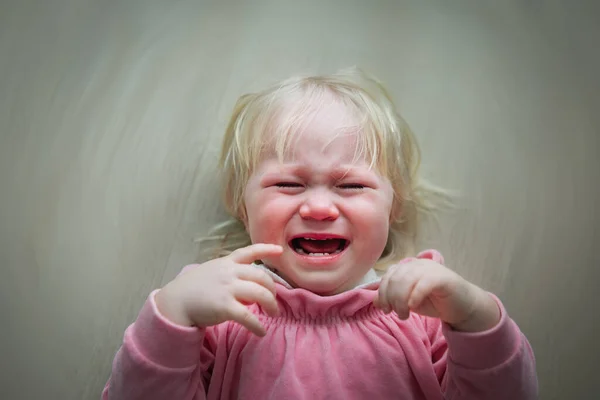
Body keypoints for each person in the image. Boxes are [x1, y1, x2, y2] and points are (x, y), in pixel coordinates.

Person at [102, 67, 538, 399]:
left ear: (393, 206)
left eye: (351, 186)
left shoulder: (422, 311)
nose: (318, 207)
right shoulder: (223, 307)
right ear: (242, 204)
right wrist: (172, 315)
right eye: (287, 185)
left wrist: (476, 319)